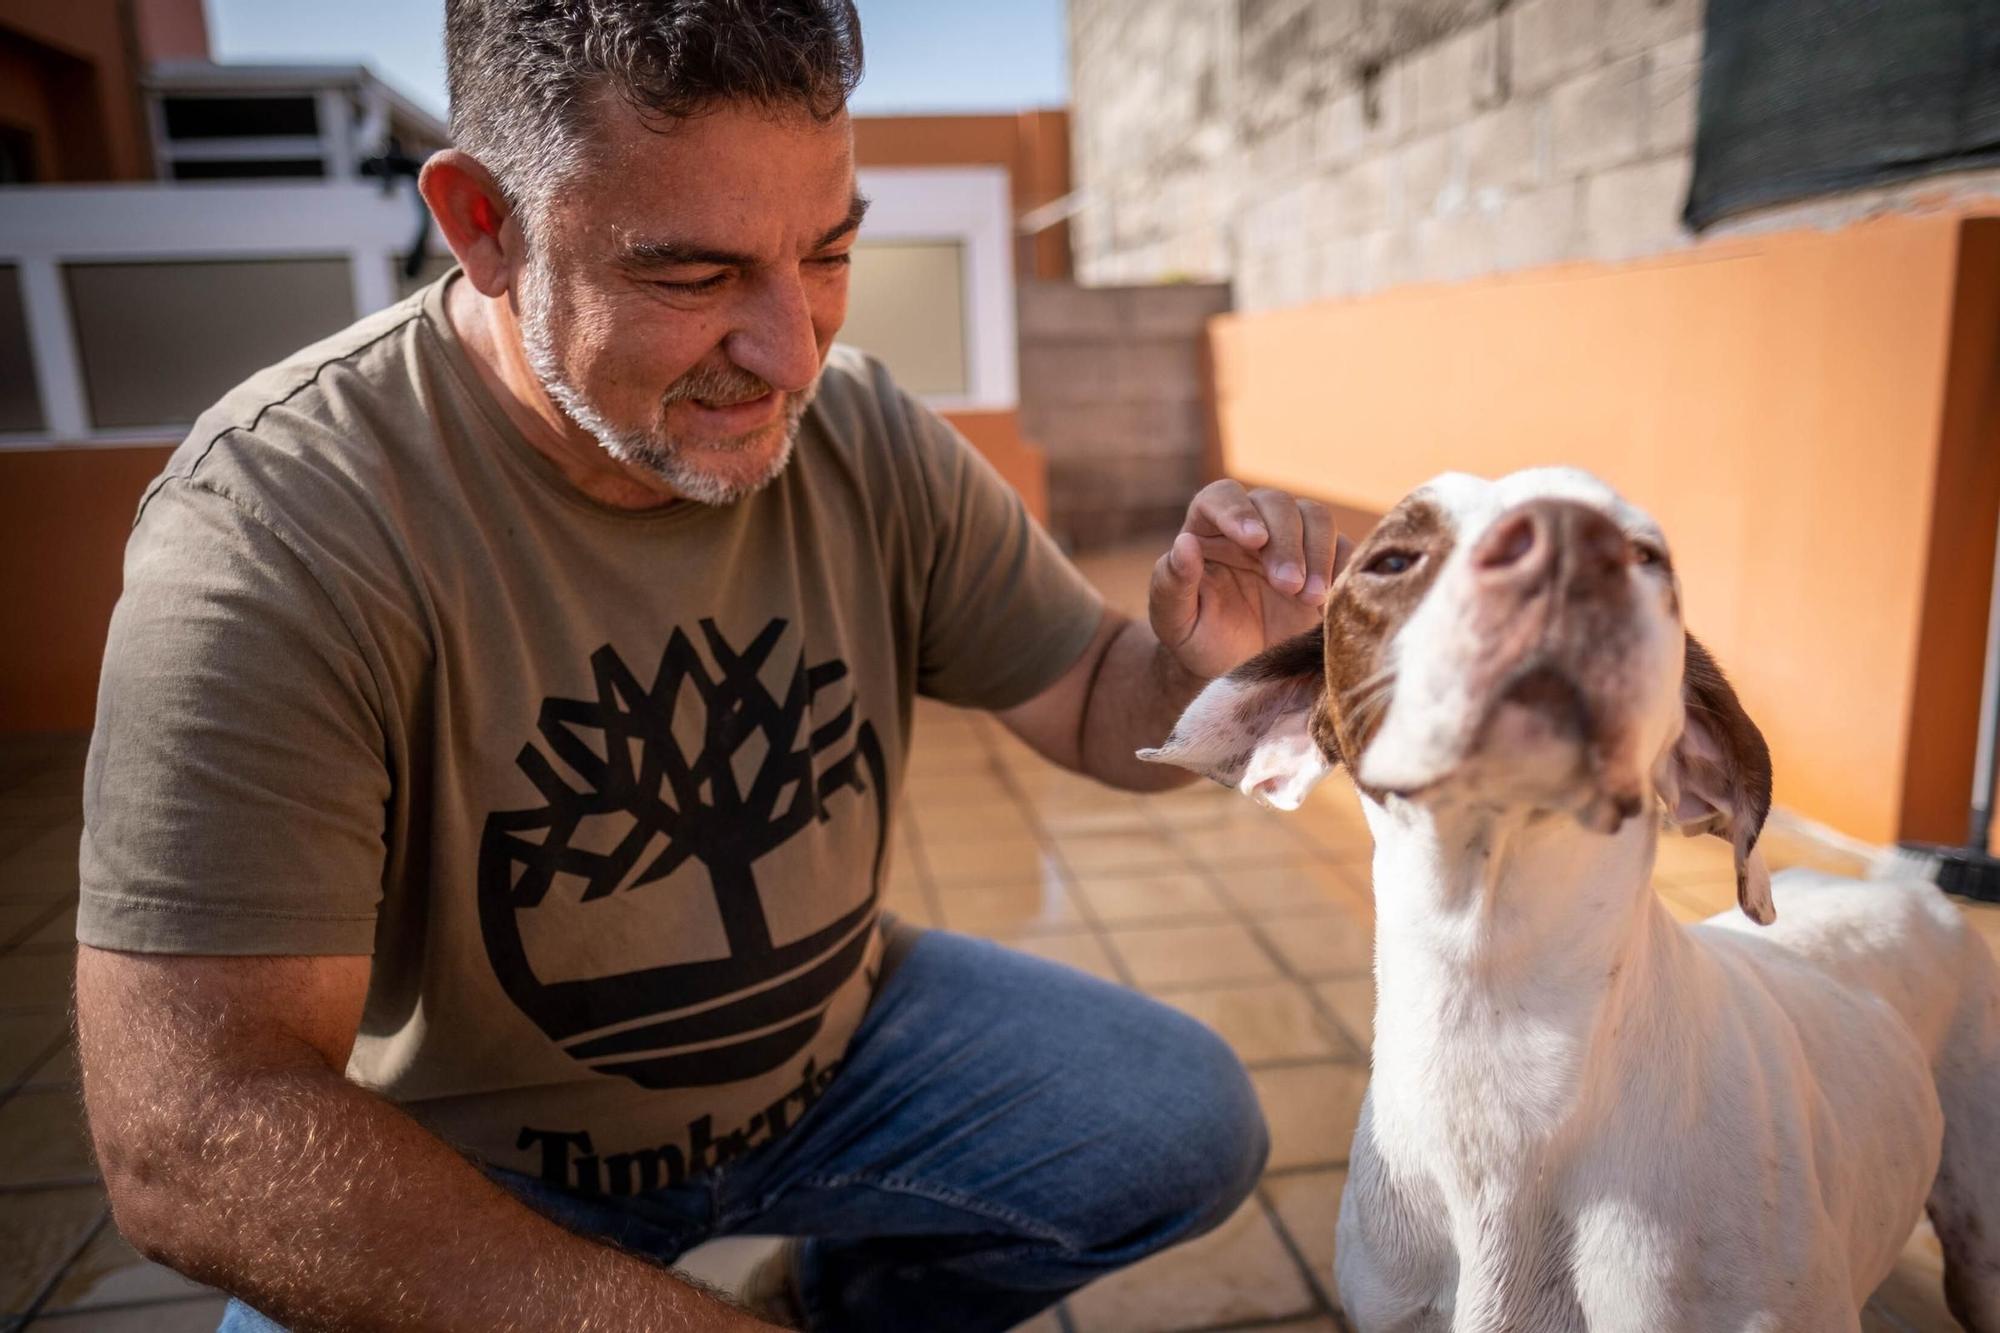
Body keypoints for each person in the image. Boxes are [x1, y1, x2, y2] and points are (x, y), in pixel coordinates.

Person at [72, 3, 1344, 1329]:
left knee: (1177, 1122)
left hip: (837, 1065)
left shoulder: (862, 434)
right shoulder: (283, 525)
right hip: (477, 1169)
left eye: (832, 250)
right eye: (692, 276)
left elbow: (1088, 687)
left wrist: (1207, 676)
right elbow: (192, 1127)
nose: (793, 353)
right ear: (483, 225)